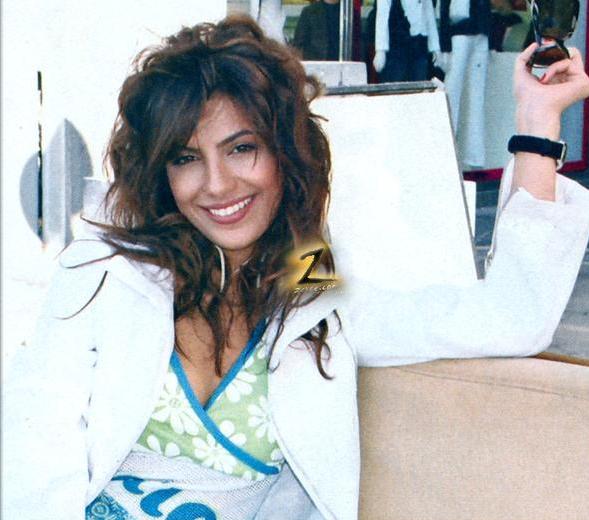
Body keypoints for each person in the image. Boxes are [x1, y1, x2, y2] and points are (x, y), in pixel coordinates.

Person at [5, 14, 589, 520]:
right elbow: (32, 457)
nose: (217, 185)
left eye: (242, 148)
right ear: (162, 173)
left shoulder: (311, 288)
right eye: (186, 158)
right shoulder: (105, 272)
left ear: (286, 151)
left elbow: (510, 317)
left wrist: (538, 124)